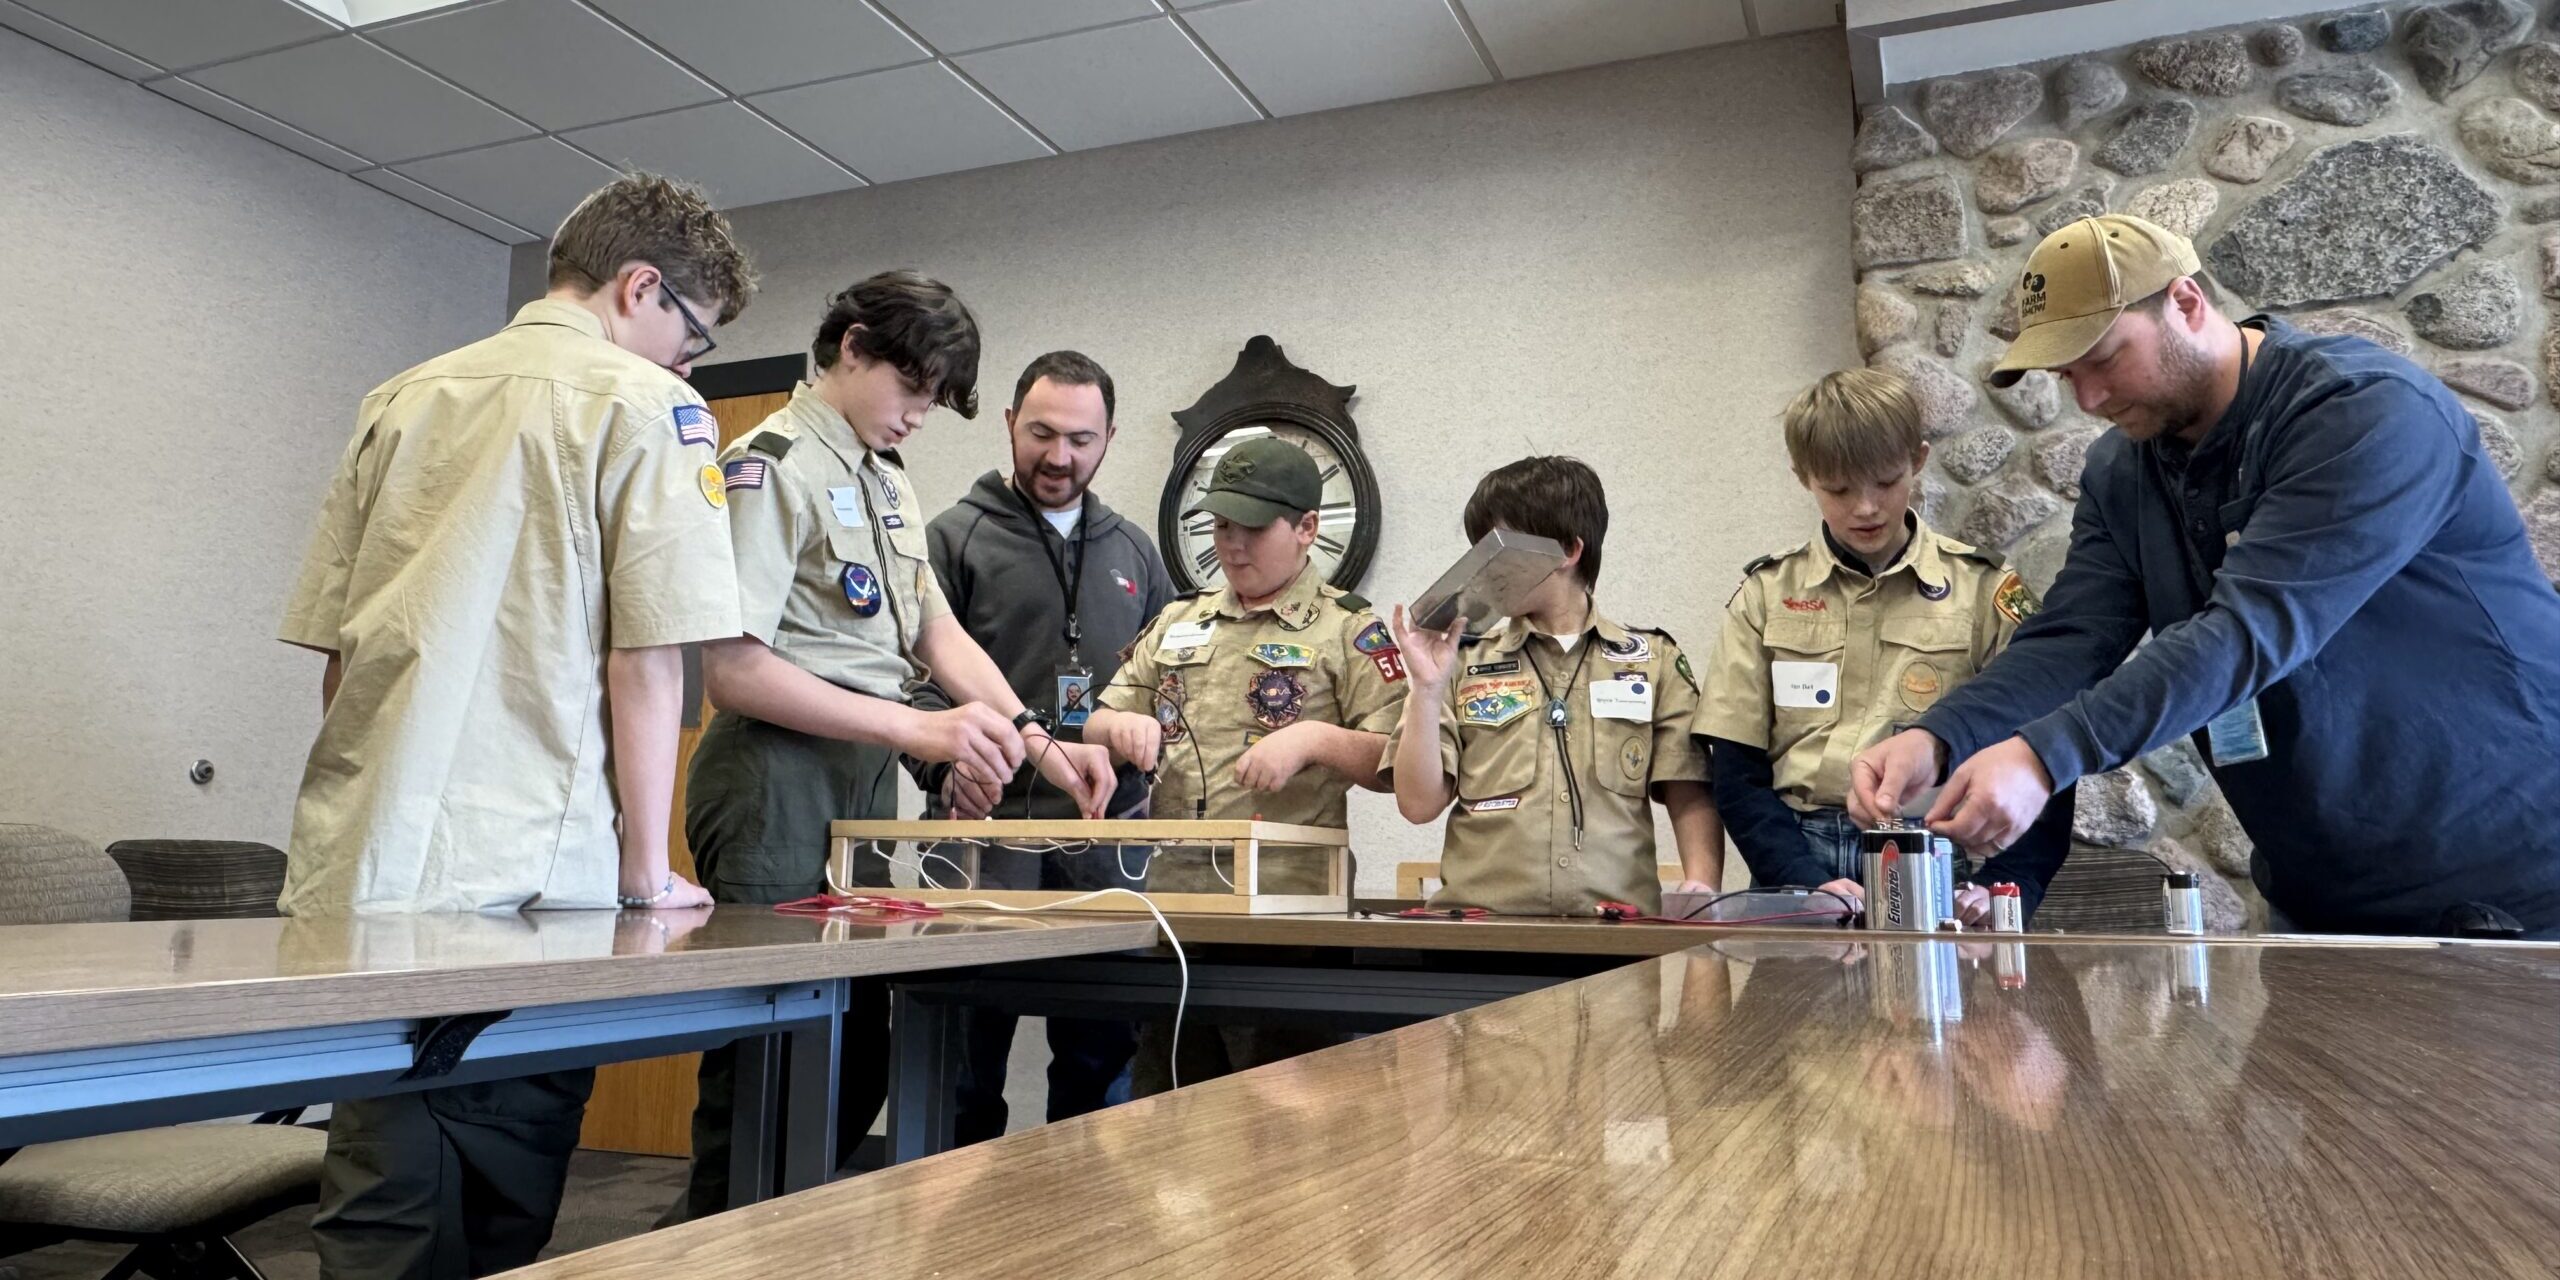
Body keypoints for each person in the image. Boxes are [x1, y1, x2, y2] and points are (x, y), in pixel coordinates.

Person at [275, 173, 753, 1280]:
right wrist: (647, 868)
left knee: (379, 1180)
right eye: (694, 337)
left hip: (369, 860)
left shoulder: (399, 396)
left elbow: (342, 654)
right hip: (528, 875)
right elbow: (647, 654)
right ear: (642, 287)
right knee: (503, 1196)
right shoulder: (646, 405)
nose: (691, 366)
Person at [1852, 214, 2560, 937]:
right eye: (2068, 376)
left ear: (2186, 302)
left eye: (2103, 358)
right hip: (2319, 901)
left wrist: (2044, 755)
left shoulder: (2363, 412)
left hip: (2515, 887)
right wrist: (1942, 736)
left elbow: (2247, 632)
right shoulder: (2122, 472)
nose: (2089, 400)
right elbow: (2072, 638)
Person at [667, 273, 1115, 1220]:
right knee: (772, 1066)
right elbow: (732, 671)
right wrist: (922, 728)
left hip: (857, 779)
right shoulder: (770, 464)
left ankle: (774, 1237)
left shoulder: (884, 476)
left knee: (855, 1055)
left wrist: (1039, 746)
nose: (918, 416)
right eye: (912, 391)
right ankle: (709, 1241)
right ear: (854, 347)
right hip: (772, 776)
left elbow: (935, 631)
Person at [1085, 435, 1406, 1090]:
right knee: (1167, 1123)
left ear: (1307, 528)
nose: (1233, 545)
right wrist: (1123, 724)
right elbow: (1097, 718)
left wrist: (1313, 739)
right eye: (1223, 526)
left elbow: (1397, 766)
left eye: (1253, 529)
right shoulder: (1180, 620)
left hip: (1291, 926)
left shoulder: (1349, 629)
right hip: (1180, 918)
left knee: (1282, 1140)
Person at [915, 350, 1178, 1143]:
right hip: (986, 830)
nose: (1059, 456)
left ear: (1109, 440)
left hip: (1105, 836)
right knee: (964, 1051)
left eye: (1080, 439)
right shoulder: (951, 540)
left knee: (1100, 1055)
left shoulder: (1135, 553)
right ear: (1008, 425)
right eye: (1040, 433)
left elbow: (1171, 688)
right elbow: (912, 683)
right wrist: (945, 763)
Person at [1696, 369, 2070, 925]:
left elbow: (2045, 758)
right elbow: (1735, 769)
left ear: (1918, 460)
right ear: (1804, 478)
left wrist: (2003, 886)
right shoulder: (1766, 594)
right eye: (1839, 490)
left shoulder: (1985, 590)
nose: (1866, 508)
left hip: (1945, 857)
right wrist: (1803, 881)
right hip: (1800, 858)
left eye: (1886, 481)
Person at [1383, 456, 1722, 915]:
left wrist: (1701, 889)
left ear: (1567, 550)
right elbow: (1418, 804)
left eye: (1500, 548)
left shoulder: (1653, 659)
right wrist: (1424, 689)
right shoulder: (1460, 660)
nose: (1485, 570)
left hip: (1616, 936)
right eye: (1477, 552)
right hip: (1482, 935)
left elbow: (1688, 790)